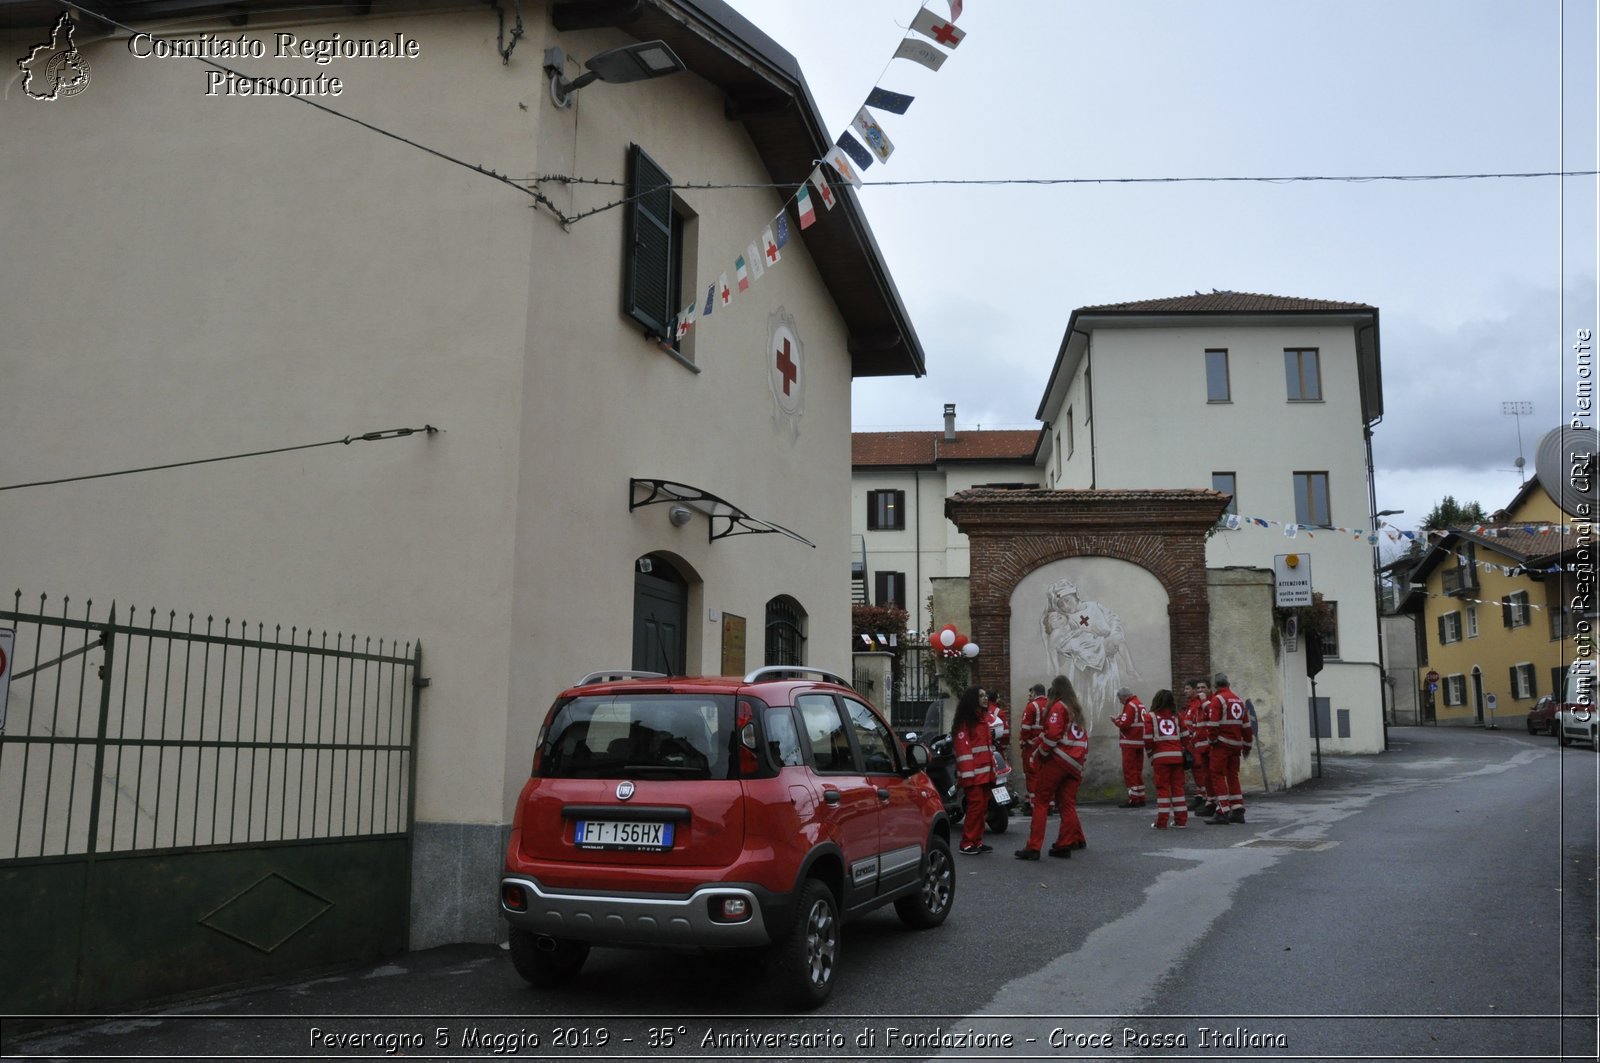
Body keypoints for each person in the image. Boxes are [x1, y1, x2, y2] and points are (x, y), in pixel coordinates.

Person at [1040, 578, 1138, 723]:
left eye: (1068, 600)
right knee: (1084, 700)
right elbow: (1060, 647)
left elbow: (1114, 622)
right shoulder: (1064, 620)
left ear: (1076, 595)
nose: (1066, 606)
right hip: (1082, 669)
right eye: (1062, 604)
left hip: (1106, 664)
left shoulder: (1095, 607)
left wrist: (1112, 637)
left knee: (1106, 697)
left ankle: (1107, 727)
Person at [1015, 674, 1089, 861]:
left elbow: (1052, 734)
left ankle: (1033, 847)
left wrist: (1041, 753)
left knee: (1040, 801)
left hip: (1060, 760)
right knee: (1067, 804)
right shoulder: (1076, 710)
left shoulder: (1058, 707)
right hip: (1075, 762)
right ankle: (1064, 844)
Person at [1204, 672, 1254, 824]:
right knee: (1233, 776)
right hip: (1236, 745)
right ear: (1228, 684)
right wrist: (1246, 746)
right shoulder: (1238, 700)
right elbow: (1246, 726)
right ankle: (1238, 810)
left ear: (1215, 686)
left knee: (1217, 775)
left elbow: (1213, 724)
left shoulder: (1217, 699)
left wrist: (1212, 740)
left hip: (1221, 744)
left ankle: (1222, 810)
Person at [951, 685, 995, 854]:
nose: (985, 698)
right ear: (973, 700)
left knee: (982, 808)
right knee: (975, 808)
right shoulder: (966, 722)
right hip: (975, 775)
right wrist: (968, 777)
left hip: (984, 773)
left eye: (986, 695)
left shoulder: (982, 720)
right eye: (981, 696)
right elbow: (963, 751)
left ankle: (977, 840)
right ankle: (967, 842)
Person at [1142, 689, 1189, 828]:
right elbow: (1186, 736)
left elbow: (1147, 739)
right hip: (1177, 757)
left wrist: (1151, 753)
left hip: (1160, 758)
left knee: (1163, 789)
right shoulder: (1177, 716)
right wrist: (1180, 748)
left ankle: (1161, 822)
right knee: (1178, 789)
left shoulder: (1150, 717)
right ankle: (1181, 821)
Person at [1181, 679, 1214, 814]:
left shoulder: (1203, 704)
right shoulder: (1192, 705)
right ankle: (1201, 796)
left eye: (1188, 688)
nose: (1185, 691)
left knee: (1203, 772)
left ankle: (1208, 799)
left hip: (1202, 745)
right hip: (1194, 744)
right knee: (1198, 772)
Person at [1112, 686, 1147, 807]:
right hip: (1139, 742)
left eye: (1120, 699)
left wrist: (1116, 721)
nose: (1121, 702)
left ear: (1124, 696)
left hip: (1130, 742)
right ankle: (1140, 796)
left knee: (1130, 771)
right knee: (1138, 771)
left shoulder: (1130, 705)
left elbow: (1125, 724)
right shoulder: (1140, 704)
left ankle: (1133, 798)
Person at [1018, 683, 1047, 801]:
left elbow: (1025, 728)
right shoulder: (1052, 705)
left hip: (1032, 745)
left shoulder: (1031, 706)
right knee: (1045, 774)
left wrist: (1024, 741)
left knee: (1031, 773)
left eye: (1031, 693)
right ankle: (1049, 802)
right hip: (1047, 745)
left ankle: (1034, 802)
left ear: (1034, 692)